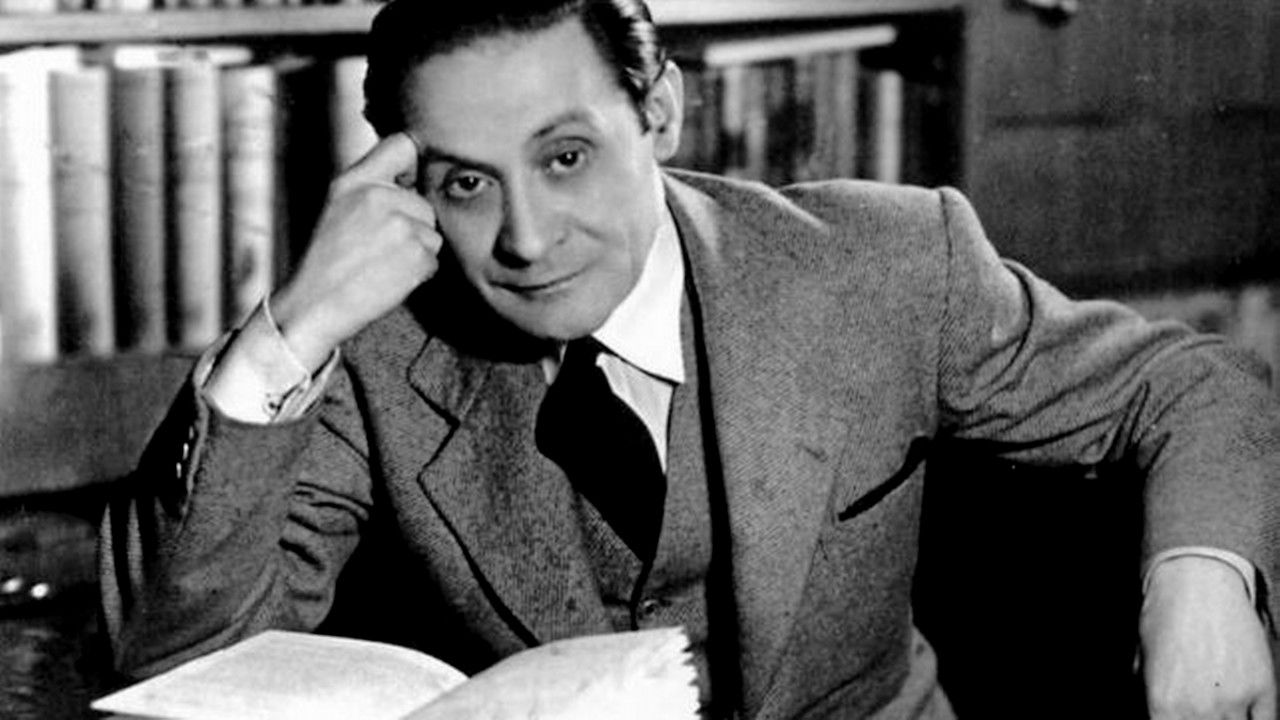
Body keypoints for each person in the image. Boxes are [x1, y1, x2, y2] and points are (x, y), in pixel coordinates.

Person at [100, 1, 1280, 718]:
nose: (524, 238)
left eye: (565, 156)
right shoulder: (365, 353)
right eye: (464, 182)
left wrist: (1199, 581)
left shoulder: (882, 264)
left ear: (658, 113)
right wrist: (290, 330)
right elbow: (181, 669)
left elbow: (1196, 385)